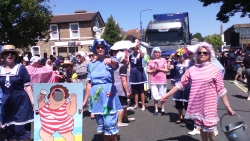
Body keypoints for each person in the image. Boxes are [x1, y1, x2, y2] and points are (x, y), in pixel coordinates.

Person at [161, 42, 235, 141]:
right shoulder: (192, 69)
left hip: (209, 105)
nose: (202, 54)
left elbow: (221, 90)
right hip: (196, 104)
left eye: (205, 53)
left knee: (210, 129)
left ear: (210, 55)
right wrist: (167, 95)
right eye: (200, 52)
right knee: (201, 129)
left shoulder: (215, 69)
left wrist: (228, 107)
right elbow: (180, 84)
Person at [82, 38, 122, 141]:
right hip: (96, 96)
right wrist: (85, 101)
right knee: (102, 123)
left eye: (102, 47)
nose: (100, 49)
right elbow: (89, 84)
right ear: (95, 49)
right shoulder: (91, 65)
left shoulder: (110, 60)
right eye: (98, 47)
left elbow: (115, 64)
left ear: (106, 48)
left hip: (109, 94)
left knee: (110, 122)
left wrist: (111, 60)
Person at [0, 45, 34, 140]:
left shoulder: (21, 68)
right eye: (7, 53)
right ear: (3, 56)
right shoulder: (0, 70)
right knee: (10, 131)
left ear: (15, 56)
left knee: (21, 129)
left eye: (12, 53)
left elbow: (27, 86)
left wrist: (33, 101)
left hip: (21, 101)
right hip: (7, 102)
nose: (10, 55)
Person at [114, 51, 135, 127]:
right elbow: (124, 80)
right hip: (121, 88)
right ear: (122, 58)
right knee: (122, 105)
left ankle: (126, 117)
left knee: (124, 105)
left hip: (116, 87)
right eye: (125, 57)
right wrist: (127, 91)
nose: (127, 58)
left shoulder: (117, 65)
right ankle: (119, 121)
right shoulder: (123, 67)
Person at [147, 47, 168, 116]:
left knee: (162, 95)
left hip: (162, 80)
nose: (157, 54)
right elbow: (148, 71)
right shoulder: (150, 61)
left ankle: (162, 109)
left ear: (160, 53)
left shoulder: (163, 60)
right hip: (154, 80)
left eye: (158, 52)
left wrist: (159, 69)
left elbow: (166, 70)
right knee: (155, 95)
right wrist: (153, 70)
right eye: (155, 52)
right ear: (153, 53)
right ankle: (156, 109)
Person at [129, 39, 147, 110]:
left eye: (136, 48)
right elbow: (130, 65)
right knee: (135, 91)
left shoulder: (140, 54)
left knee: (141, 90)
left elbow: (142, 56)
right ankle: (136, 104)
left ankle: (143, 105)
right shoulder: (130, 56)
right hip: (133, 72)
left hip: (139, 72)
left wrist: (139, 47)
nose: (135, 49)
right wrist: (130, 73)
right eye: (134, 48)